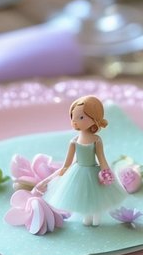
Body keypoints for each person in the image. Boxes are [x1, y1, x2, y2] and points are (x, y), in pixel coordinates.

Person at [35, 95, 124, 226]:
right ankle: (88, 217)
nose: (75, 122)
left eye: (81, 117)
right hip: (78, 172)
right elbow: (66, 166)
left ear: (94, 119)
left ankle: (96, 216)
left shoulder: (97, 140)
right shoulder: (74, 142)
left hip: (94, 171)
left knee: (96, 196)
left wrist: (106, 173)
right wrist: (47, 180)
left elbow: (102, 159)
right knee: (85, 196)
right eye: (73, 117)